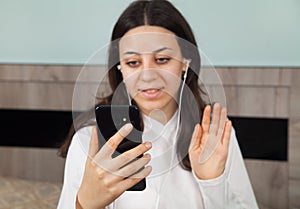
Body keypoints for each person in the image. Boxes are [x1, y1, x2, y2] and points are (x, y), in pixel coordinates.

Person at [57, 0, 258, 208]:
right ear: (121, 69)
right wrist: (86, 203)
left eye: (162, 59)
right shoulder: (90, 139)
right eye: (133, 62)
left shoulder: (214, 136)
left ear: (185, 63)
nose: (148, 76)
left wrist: (213, 182)